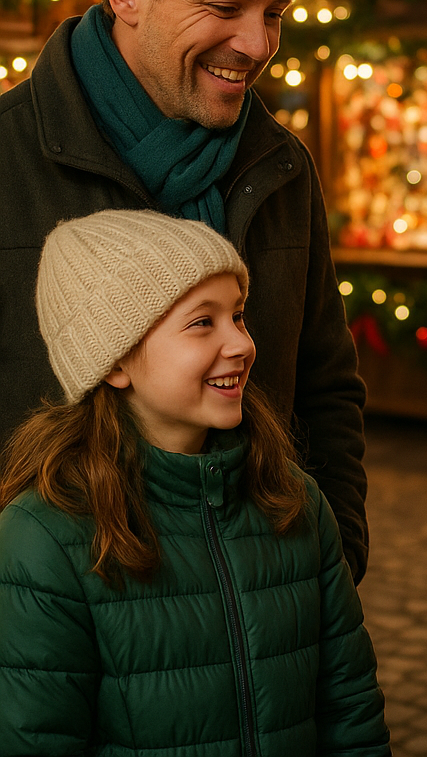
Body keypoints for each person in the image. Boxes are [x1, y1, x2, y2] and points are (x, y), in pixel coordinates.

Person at [0, 0, 371, 582]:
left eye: (273, 14)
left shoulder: (281, 166)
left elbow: (326, 388)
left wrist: (335, 557)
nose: (258, 44)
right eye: (225, 7)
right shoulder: (8, 155)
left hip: (254, 611)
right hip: (52, 627)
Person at [0, 209, 391, 757]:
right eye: (202, 322)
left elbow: (350, 710)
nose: (241, 344)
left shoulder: (294, 500)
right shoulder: (43, 539)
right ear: (115, 361)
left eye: (239, 315)